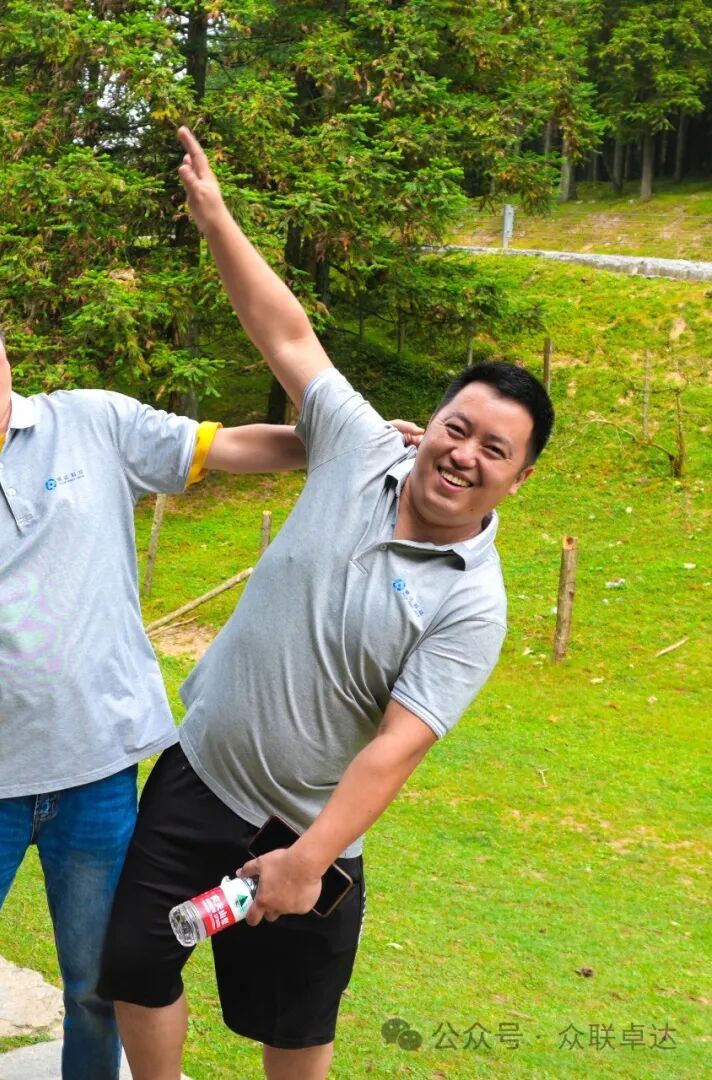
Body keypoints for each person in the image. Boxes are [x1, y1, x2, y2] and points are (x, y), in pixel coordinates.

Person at [0, 268, 422, 1078]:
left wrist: (352, 447)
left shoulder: (92, 421)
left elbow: (220, 447)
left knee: (100, 987)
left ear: (4, 345)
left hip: (101, 774)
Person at [98, 127, 555, 1080]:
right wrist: (215, 217)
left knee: (295, 1025)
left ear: (517, 481)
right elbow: (286, 332)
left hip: (310, 828)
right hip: (198, 774)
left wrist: (308, 861)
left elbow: (396, 748)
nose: (463, 454)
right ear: (431, 423)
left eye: (494, 450)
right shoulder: (358, 446)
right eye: (457, 427)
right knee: (137, 964)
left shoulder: (475, 604)